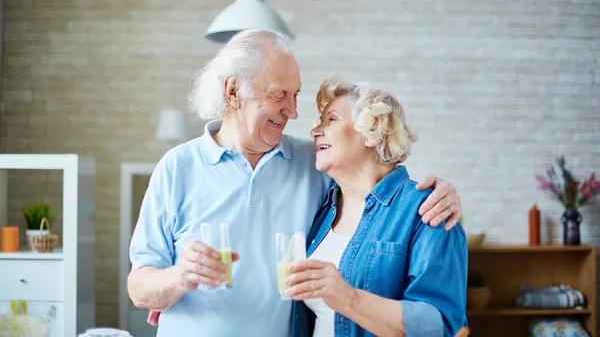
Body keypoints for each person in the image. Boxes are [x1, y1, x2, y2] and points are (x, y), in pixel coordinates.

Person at [127, 30, 463, 337]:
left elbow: (376, 184)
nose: (294, 112)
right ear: (233, 91)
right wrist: (178, 278)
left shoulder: (311, 164)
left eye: (296, 95)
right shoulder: (176, 167)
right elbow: (140, 287)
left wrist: (443, 194)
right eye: (279, 95)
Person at [286, 77, 468, 337]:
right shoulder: (323, 208)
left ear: (372, 132)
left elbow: (439, 325)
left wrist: (348, 298)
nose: (315, 131)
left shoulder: (428, 210)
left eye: (331, 120)